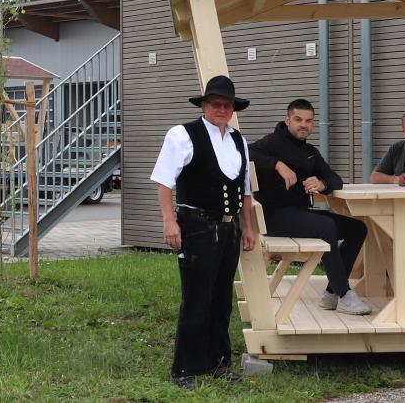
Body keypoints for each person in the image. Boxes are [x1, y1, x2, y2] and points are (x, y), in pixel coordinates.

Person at [150, 75, 257, 390]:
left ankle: (218, 362)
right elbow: (164, 181)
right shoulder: (183, 135)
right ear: (204, 106)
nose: (221, 109)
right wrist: (169, 221)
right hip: (196, 225)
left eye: (227, 105)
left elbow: (245, 191)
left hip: (229, 228)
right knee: (197, 297)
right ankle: (185, 368)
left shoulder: (238, 140)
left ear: (233, 109)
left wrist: (248, 228)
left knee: (222, 297)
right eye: (215, 104)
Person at [249, 99, 371, 315]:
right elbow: (243, 152)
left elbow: (335, 179)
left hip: (299, 214)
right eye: (298, 120)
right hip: (272, 216)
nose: (303, 125)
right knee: (325, 226)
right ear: (287, 120)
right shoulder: (272, 143)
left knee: (358, 228)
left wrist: (322, 184)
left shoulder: (310, 152)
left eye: (308, 121)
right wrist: (277, 165)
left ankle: (332, 292)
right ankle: (344, 293)